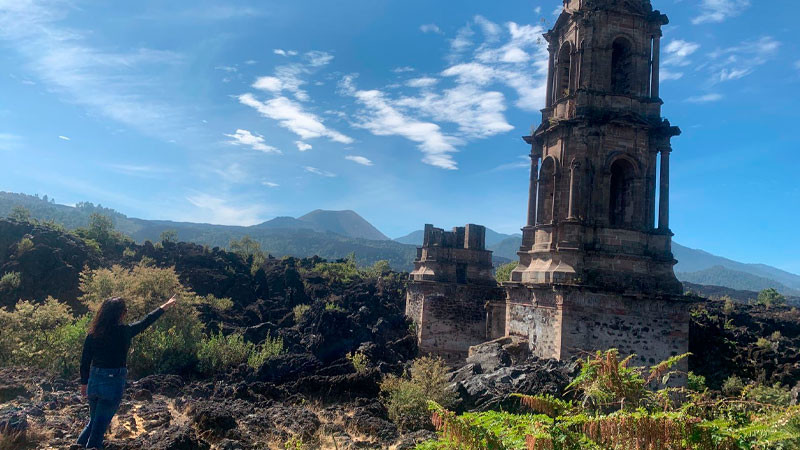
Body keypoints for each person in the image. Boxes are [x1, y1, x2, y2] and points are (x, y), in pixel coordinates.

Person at [76, 294, 177, 449]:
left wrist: (84, 383)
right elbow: (147, 320)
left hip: (94, 382)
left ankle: (76, 447)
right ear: (120, 313)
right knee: (98, 430)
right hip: (112, 383)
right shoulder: (125, 331)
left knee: (93, 423)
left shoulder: (93, 333)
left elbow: (84, 361)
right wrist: (166, 306)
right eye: (125, 310)